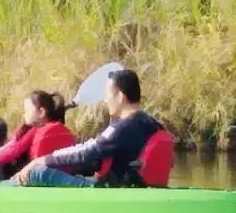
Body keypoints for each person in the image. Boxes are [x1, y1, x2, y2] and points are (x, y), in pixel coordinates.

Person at [10, 70, 167, 187]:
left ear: (119, 97)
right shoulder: (151, 122)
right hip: (131, 185)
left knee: (37, 173)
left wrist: (41, 160)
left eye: (108, 95)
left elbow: (86, 152)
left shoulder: (123, 128)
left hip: (108, 190)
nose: (105, 100)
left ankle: (2, 188)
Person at [0, 90, 77, 179]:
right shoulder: (65, 130)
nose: (24, 114)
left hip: (39, 178)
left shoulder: (35, 130)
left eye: (26, 111)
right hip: (65, 177)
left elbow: (13, 149)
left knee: (4, 184)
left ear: (41, 112)